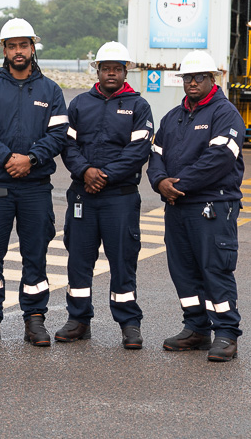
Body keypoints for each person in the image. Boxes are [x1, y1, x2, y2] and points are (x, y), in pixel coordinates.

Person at [0, 18, 68, 346]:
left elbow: (58, 134)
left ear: (32, 47)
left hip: (36, 186)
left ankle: (35, 319)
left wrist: (32, 159)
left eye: (23, 45)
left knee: (35, 253)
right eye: (12, 46)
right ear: (5, 50)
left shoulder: (50, 91)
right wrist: (8, 159)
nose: (18, 51)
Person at [146, 51, 245, 362]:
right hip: (177, 206)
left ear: (211, 79)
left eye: (198, 77)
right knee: (183, 270)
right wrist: (160, 181)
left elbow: (218, 159)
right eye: (187, 78)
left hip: (212, 205)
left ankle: (226, 334)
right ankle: (196, 328)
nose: (191, 83)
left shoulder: (225, 114)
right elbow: (156, 154)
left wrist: (178, 185)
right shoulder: (173, 116)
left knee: (215, 268)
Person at [56, 42, 153, 349]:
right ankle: (78, 320)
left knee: (123, 260)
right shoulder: (80, 104)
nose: (111, 73)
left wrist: (105, 175)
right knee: (79, 260)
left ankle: (129, 323)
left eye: (117, 68)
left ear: (126, 72)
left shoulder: (139, 107)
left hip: (120, 197)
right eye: (106, 67)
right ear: (96, 70)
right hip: (83, 194)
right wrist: (85, 171)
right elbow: (67, 145)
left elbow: (139, 150)